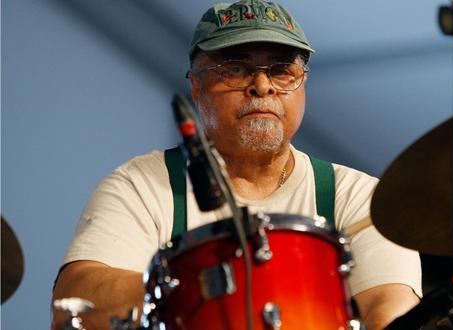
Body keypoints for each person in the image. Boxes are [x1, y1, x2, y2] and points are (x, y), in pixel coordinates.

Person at [52, 1, 422, 329]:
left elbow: (391, 309)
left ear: (303, 83)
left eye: (281, 70)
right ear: (196, 87)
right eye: (236, 69)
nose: (262, 85)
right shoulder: (142, 185)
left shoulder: (358, 197)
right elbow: (75, 302)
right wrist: (204, 279)